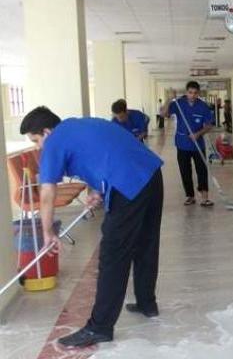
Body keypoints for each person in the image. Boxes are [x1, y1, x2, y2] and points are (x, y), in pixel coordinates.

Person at [20, 106, 164, 348]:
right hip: (151, 174)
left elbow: (47, 192)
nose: (37, 147)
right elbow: (104, 154)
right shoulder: (81, 125)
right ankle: (146, 303)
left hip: (128, 184)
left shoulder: (54, 142)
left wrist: (47, 233)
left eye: (36, 140)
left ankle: (100, 327)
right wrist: (98, 190)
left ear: (46, 131)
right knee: (145, 242)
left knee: (112, 256)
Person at [162, 81, 214, 207]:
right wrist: (169, 100)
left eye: (195, 93)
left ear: (198, 93)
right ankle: (190, 196)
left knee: (202, 171)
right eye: (190, 93)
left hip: (198, 145)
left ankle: (205, 198)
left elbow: (209, 125)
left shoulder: (203, 107)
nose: (192, 95)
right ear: (186, 92)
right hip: (182, 144)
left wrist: (198, 134)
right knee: (185, 171)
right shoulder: (179, 103)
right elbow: (164, 114)